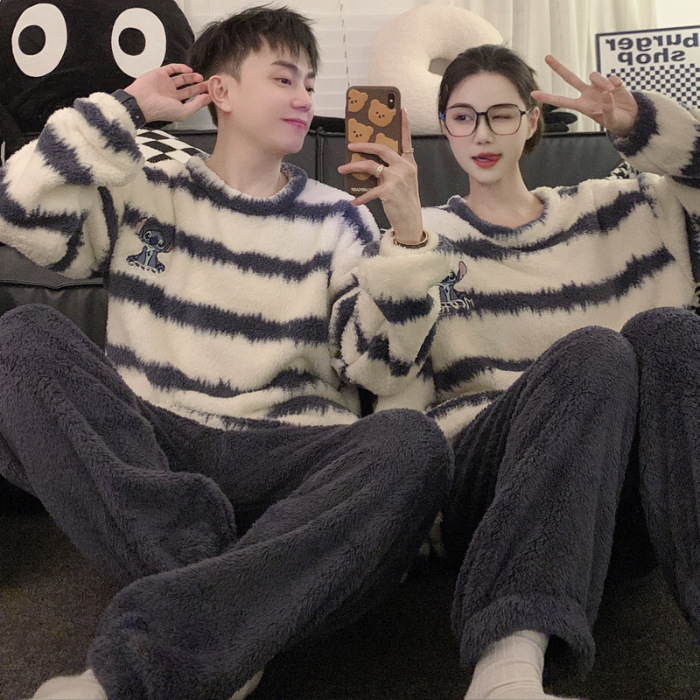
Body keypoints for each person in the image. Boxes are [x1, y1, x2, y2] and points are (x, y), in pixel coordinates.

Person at [0, 6, 455, 700]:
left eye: (311, 83)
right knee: (22, 339)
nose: (305, 97)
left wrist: (409, 238)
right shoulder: (142, 185)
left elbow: (379, 367)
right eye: (284, 78)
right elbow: (19, 212)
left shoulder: (339, 217)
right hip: (155, 449)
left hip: (286, 457)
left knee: (412, 445)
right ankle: (231, 616)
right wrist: (125, 108)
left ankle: (152, 654)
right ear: (221, 90)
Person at [341, 43, 700, 699]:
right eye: (462, 117)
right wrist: (409, 240)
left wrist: (641, 127)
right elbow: (374, 368)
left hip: (618, 504)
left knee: (671, 332)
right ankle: (505, 668)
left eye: (501, 115)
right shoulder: (424, 232)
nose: (482, 134)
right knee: (595, 352)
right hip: (487, 494)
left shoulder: (615, 208)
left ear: (532, 121)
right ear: (443, 127)